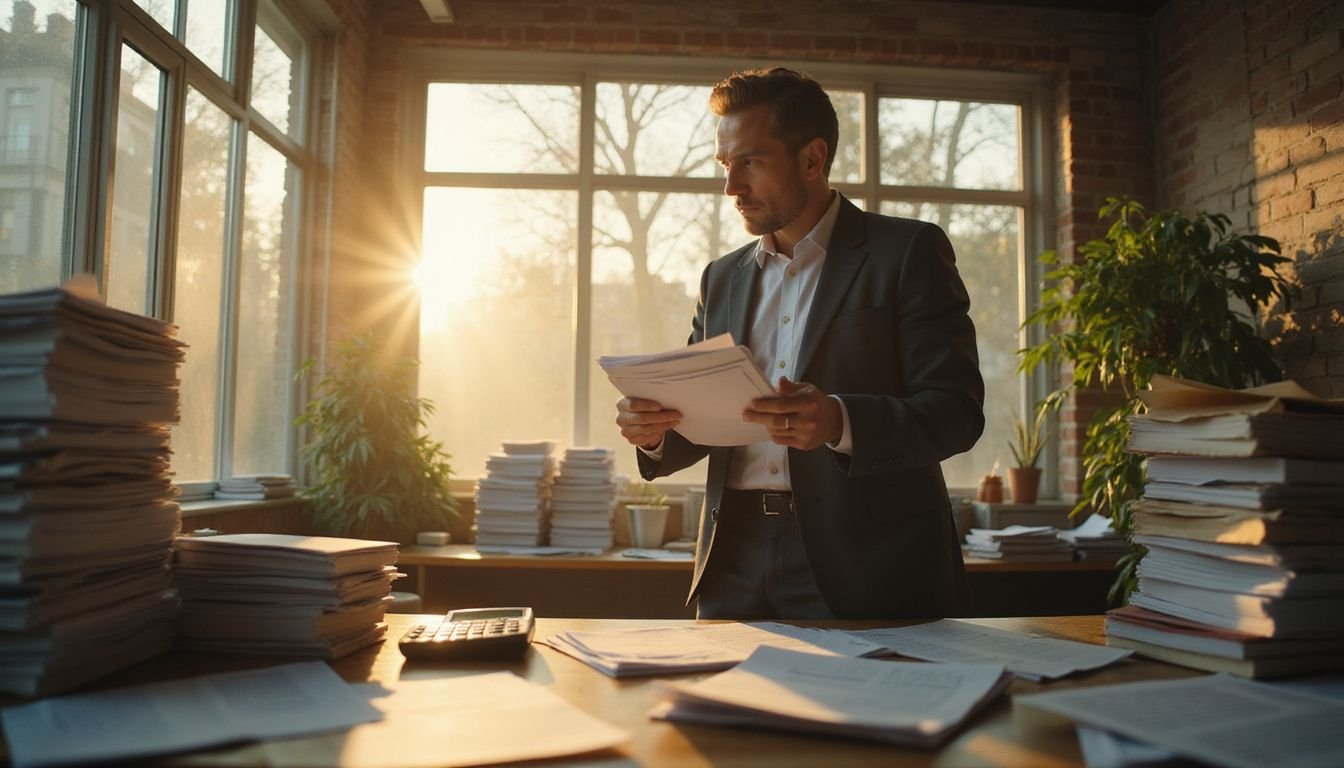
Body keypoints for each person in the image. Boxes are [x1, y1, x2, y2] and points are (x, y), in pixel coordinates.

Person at [615, 67, 984, 619]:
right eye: (725, 165)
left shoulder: (907, 252)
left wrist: (838, 421)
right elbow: (701, 421)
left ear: (813, 159)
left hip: (867, 562)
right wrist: (652, 433)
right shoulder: (721, 278)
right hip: (730, 556)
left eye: (750, 163)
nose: (731, 188)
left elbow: (956, 412)